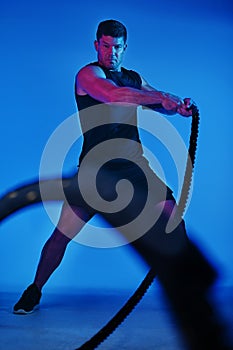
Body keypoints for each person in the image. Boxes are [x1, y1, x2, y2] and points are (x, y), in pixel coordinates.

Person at [13, 19, 230, 349]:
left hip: (134, 168)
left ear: (124, 48)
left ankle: (190, 297)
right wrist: (159, 96)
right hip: (95, 172)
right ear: (96, 45)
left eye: (117, 47)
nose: (111, 52)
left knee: (173, 222)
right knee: (61, 237)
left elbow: (153, 101)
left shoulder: (135, 78)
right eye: (105, 45)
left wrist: (176, 106)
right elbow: (116, 96)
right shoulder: (88, 76)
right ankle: (34, 289)